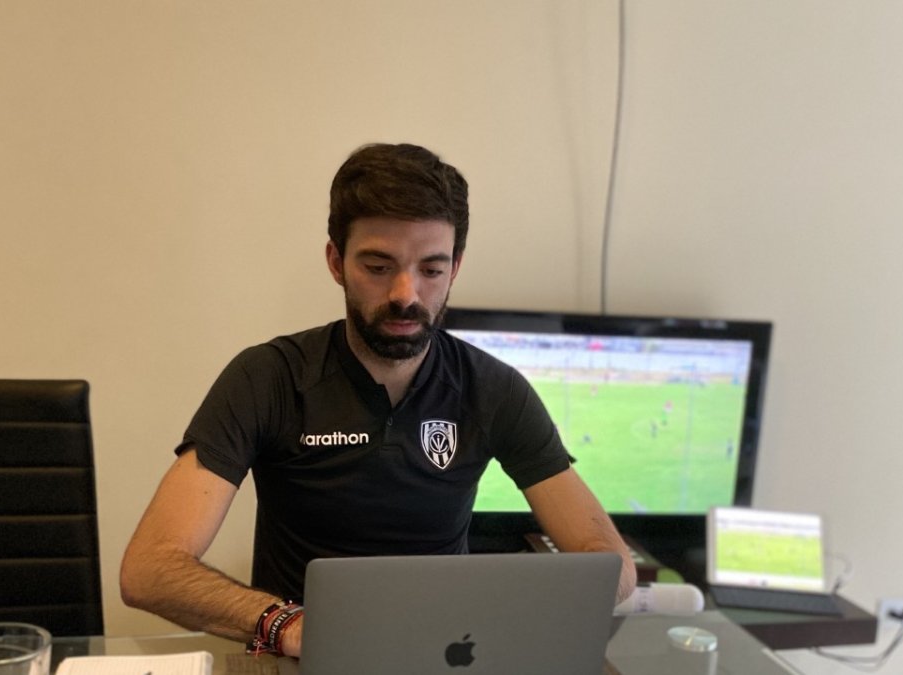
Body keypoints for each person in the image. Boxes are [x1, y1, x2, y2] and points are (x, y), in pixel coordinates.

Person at [119, 142, 636, 658]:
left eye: (431, 269)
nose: (406, 294)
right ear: (335, 261)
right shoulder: (269, 377)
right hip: (304, 657)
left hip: (447, 656)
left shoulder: (492, 388)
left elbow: (612, 565)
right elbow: (149, 568)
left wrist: (497, 622)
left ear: (455, 268)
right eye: (379, 265)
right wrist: (288, 624)